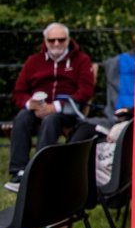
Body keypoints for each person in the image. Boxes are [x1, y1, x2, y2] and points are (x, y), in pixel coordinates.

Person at [7, 23, 95, 197]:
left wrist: (55, 107)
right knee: (22, 117)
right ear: (45, 41)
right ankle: (18, 172)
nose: (56, 44)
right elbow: (18, 91)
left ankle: (40, 171)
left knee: (51, 119)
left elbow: (85, 91)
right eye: (51, 40)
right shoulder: (34, 61)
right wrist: (28, 103)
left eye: (61, 40)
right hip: (36, 109)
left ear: (68, 40)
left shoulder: (81, 61)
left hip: (67, 111)